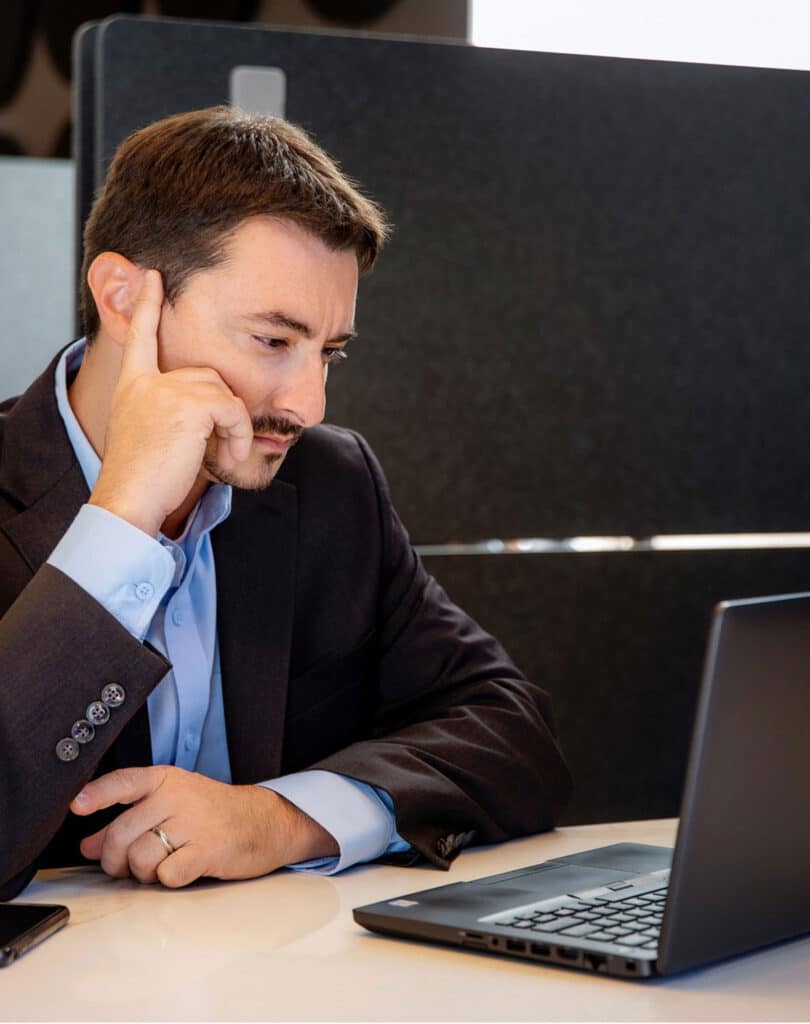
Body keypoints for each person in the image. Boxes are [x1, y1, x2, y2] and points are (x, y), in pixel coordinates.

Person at [0, 106, 571, 901]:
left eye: (328, 352)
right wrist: (121, 520)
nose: (309, 404)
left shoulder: (330, 482)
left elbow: (513, 734)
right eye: (272, 341)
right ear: (124, 299)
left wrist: (277, 819)